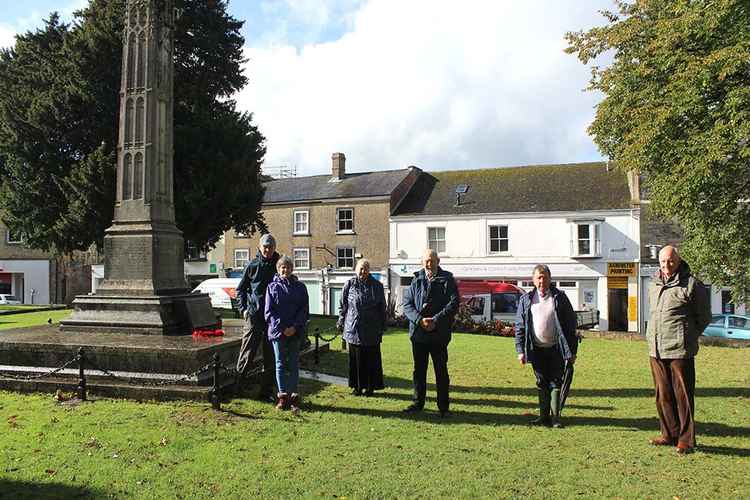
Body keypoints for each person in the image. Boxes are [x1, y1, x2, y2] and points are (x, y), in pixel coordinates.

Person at [647, 245, 710, 454]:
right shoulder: (654, 284)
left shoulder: (691, 285)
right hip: (656, 349)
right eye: (663, 261)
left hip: (680, 350)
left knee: (683, 396)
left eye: (670, 261)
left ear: (678, 260)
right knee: (662, 394)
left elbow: (704, 317)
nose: (667, 265)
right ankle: (669, 434)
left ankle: (686, 440)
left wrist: (688, 336)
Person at [515, 264, 578, 428]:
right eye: (539, 277)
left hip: (556, 348)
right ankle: (543, 417)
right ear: (533, 280)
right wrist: (520, 350)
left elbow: (571, 326)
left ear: (550, 279)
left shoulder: (560, 298)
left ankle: (555, 418)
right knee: (541, 382)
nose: (542, 280)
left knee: (556, 382)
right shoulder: (526, 300)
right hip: (536, 349)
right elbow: (520, 327)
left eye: (545, 277)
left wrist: (572, 352)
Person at [402, 249, 459, 417]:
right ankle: (418, 403)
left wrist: (435, 320)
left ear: (438, 261)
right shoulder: (416, 279)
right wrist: (420, 320)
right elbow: (407, 305)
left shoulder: (448, 279)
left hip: (439, 334)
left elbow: (454, 304)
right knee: (419, 371)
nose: (429, 264)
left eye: (432, 261)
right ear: (422, 262)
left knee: (441, 371)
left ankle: (443, 407)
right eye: (426, 261)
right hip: (419, 334)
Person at [235, 234, 279, 401]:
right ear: (260, 247)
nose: (267, 250)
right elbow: (240, 289)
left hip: (272, 318)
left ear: (274, 248)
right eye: (265, 247)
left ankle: (266, 392)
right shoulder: (252, 265)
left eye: (270, 247)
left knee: (270, 356)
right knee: (247, 353)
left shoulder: (279, 265)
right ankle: (238, 387)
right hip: (254, 315)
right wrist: (244, 309)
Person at [265, 255, 309, 413]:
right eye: (282, 267)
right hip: (278, 332)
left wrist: (294, 327)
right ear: (278, 269)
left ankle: (294, 397)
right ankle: (282, 396)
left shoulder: (300, 287)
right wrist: (283, 328)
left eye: (288, 267)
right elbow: (269, 312)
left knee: (294, 365)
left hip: (295, 332)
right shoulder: (271, 287)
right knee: (280, 364)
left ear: (292, 269)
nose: (285, 269)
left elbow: (304, 310)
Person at [337, 259, 387, 396]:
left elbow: (382, 307)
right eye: (361, 268)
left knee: (371, 359)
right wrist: (341, 322)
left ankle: (370, 387)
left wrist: (383, 325)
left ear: (369, 270)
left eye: (365, 268)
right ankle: (357, 387)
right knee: (356, 360)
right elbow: (343, 306)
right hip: (354, 328)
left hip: (372, 328)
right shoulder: (349, 284)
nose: (363, 271)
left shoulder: (377, 286)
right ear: (356, 270)